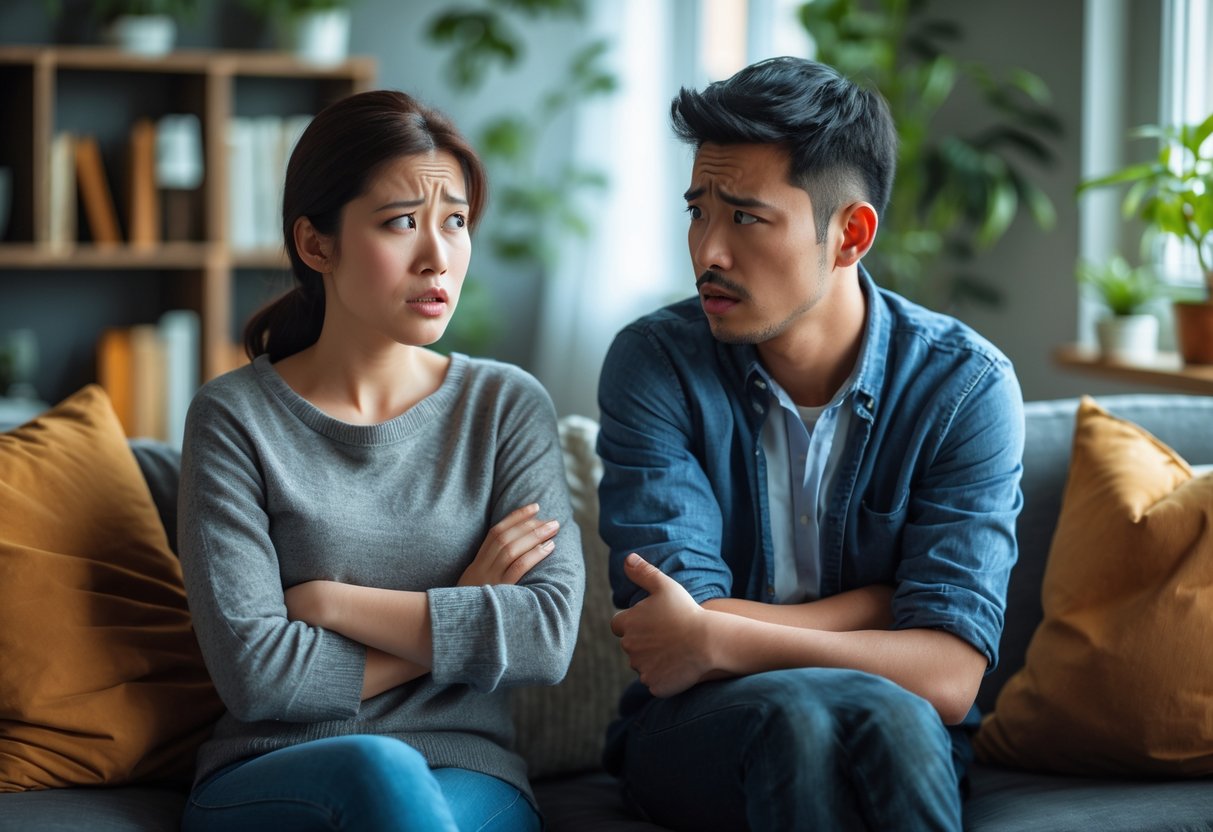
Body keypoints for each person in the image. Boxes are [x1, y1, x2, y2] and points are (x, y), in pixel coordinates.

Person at [599, 56, 1024, 831]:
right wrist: (880, 608)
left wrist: (717, 635)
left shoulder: (964, 387)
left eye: (745, 218)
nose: (707, 252)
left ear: (849, 235)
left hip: (893, 732)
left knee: (886, 713)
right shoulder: (655, 364)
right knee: (804, 714)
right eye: (698, 212)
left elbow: (947, 675)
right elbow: (675, 622)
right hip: (698, 728)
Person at [177, 89, 584, 832]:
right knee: (380, 768)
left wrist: (333, 604)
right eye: (401, 222)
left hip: (467, 773)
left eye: (455, 221)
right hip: (276, 771)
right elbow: (259, 678)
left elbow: (546, 635)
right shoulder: (234, 417)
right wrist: (464, 602)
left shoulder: (505, 406)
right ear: (316, 245)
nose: (438, 258)